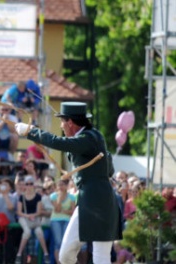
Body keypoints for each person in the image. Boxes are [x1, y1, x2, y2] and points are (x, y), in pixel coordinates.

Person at [14, 102, 122, 264]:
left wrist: (31, 132)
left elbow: (59, 143)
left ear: (70, 122)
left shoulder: (89, 137)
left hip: (101, 203)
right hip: (87, 202)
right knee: (65, 255)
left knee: (101, 257)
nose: (61, 126)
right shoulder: (87, 139)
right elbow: (109, 169)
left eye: (62, 121)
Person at [15, 176, 50, 263]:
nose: (29, 186)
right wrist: (28, 216)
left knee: (39, 232)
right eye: (27, 184)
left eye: (31, 184)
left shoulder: (38, 196)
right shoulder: (21, 197)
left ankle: (46, 254)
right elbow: (19, 212)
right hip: (24, 218)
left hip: (34, 219)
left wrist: (32, 215)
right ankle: (19, 254)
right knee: (27, 232)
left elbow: (39, 211)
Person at [50, 179, 76, 262]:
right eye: (59, 185)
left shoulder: (72, 197)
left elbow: (72, 212)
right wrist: (59, 199)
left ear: (66, 186)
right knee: (58, 242)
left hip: (67, 221)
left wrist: (63, 211)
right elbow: (57, 209)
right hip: (55, 220)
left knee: (65, 242)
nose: (60, 187)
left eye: (62, 185)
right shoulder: (53, 196)